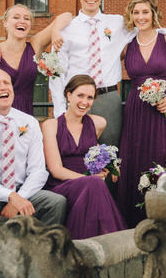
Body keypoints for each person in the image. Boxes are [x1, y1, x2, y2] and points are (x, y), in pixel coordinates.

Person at [48, 0, 166, 146]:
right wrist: (59, 112)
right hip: (76, 99)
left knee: (111, 154)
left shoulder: (117, 23)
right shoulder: (66, 29)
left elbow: (146, 28)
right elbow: (56, 74)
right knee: (77, 151)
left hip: (109, 98)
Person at [118, 0, 166, 225]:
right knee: (133, 159)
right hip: (135, 112)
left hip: (161, 112)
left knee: (160, 156)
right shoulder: (126, 46)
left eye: (145, 12)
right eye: (136, 13)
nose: (141, 17)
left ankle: (162, 215)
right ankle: (132, 219)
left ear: (153, 14)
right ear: (131, 16)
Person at [0, 68, 66, 225]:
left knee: (56, 202)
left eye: (7, 83)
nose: (4, 87)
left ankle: (39, 248)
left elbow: (38, 171)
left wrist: (19, 197)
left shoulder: (29, 122)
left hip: (22, 191)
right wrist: (10, 196)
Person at [41, 74, 127, 238]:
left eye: (90, 97)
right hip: (61, 183)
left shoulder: (98, 123)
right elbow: (55, 170)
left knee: (94, 185)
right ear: (68, 95)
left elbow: (97, 155)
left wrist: (109, 168)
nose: (85, 102)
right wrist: (87, 179)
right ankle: (102, 239)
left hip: (90, 184)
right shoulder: (51, 126)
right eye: (80, 95)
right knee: (94, 184)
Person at [0, 3, 72, 125]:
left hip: (22, 115)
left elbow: (67, 16)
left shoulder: (35, 46)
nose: (22, 21)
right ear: (5, 23)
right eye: (16, 17)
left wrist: (56, 31)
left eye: (27, 19)